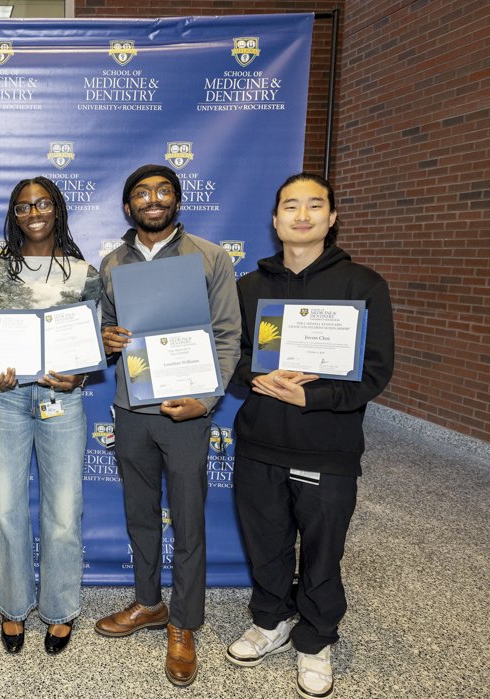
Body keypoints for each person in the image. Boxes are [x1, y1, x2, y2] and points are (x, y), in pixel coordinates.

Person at [225, 173, 394, 699]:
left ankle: (316, 639)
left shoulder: (362, 285)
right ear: (275, 221)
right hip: (260, 442)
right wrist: (257, 377)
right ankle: (271, 620)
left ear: (332, 217)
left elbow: (375, 372)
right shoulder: (249, 287)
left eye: (314, 206)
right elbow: (230, 360)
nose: (302, 215)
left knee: (323, 549)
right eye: (290, 206)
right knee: (266, 541)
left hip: (328, 445)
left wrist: (312, 397)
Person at [95, 163, 240, 686]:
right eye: (141, 193)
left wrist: (206, 399)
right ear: (128, 206)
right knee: (139, 514)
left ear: (177, 201)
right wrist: (105, 339)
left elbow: (228, 335)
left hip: (186, 410)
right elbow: (102, 333)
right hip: (132, 409)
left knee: (188, 518)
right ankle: (149, 603)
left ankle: (183, 623)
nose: (152, 200)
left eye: (162, 192)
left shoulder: (210, 257)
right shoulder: (111, 262)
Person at [0, 176, 102, 655]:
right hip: (8, 402)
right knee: (7, 508)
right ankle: (12, 608)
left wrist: (81, 378)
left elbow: (96, 345)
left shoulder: (84, 273)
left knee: (64, 512)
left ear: (57, 210)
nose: (34, 212)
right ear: (14, 214)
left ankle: (59, 609)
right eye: (24, 206)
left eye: (43, 203)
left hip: (62, 402)